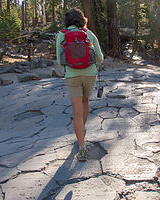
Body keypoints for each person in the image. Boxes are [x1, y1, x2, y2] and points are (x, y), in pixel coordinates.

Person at [56, 9, 104, 161]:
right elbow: (100, 57)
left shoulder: (62, 35)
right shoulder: (88, 33)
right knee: (85, 101)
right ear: (82, 19)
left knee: (76, 110)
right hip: (89, 74)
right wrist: (94, 68)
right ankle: (82, 128)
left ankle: (82, 148)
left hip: (72, 75)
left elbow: (59, 61)